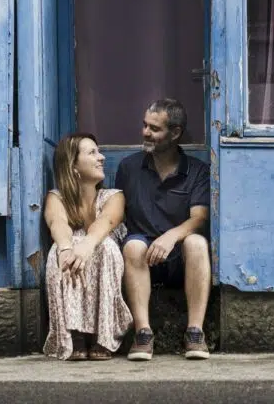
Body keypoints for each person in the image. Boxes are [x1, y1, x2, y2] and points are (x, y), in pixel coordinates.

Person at [114, 98, 212, 361]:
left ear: (176, 133)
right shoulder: (128, 167)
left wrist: (171, 236)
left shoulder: (197, 171)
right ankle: (143, 333)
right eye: (145, 125)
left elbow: (199, 218)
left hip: (180, 255)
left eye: (154, 129)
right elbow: (117, 213)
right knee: (133, 246)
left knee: (198, 243)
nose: (146, 133)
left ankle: (195, 332)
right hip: (141, 253)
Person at [42, 133, 132, 361]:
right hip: (74, 250)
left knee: (107, 247)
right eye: (92, 153)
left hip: (100, 249)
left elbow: (106, 222)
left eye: (98, 151)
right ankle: (75, 333)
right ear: (73, 165)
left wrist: (86, 246)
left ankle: (102, 334)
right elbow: (58, 223)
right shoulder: (57, 197)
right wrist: (65, 248)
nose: (101, 157)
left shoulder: (113, 196)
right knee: (60, 250)